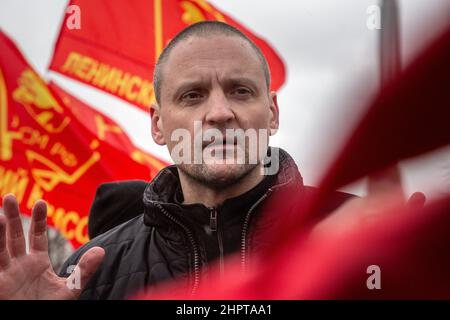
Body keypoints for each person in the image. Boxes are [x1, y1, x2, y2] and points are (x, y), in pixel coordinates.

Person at [0, 21, 354, 300]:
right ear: (158, 124)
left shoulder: (364, 232)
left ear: (272, 114)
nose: (218, 113)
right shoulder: (90, 271)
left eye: (240, 91)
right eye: (192, 96)